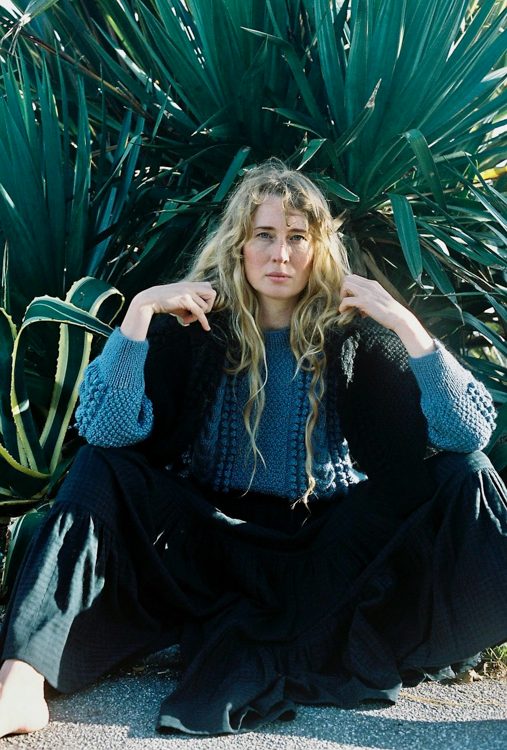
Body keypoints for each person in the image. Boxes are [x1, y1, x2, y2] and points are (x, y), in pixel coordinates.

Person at [0, 160, 506, 737]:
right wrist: (138, 314)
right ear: (238, 245)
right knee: (98, 466)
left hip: (327, 549)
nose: (280, 255)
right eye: (264, 235)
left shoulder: (354, 335)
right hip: (212, 546)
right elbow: (107, 432)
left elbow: (467, 435)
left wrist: (408, 327)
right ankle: (20, 684)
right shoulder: (194, 330)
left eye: (298, 237)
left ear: (319, 248)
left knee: (467, 472)